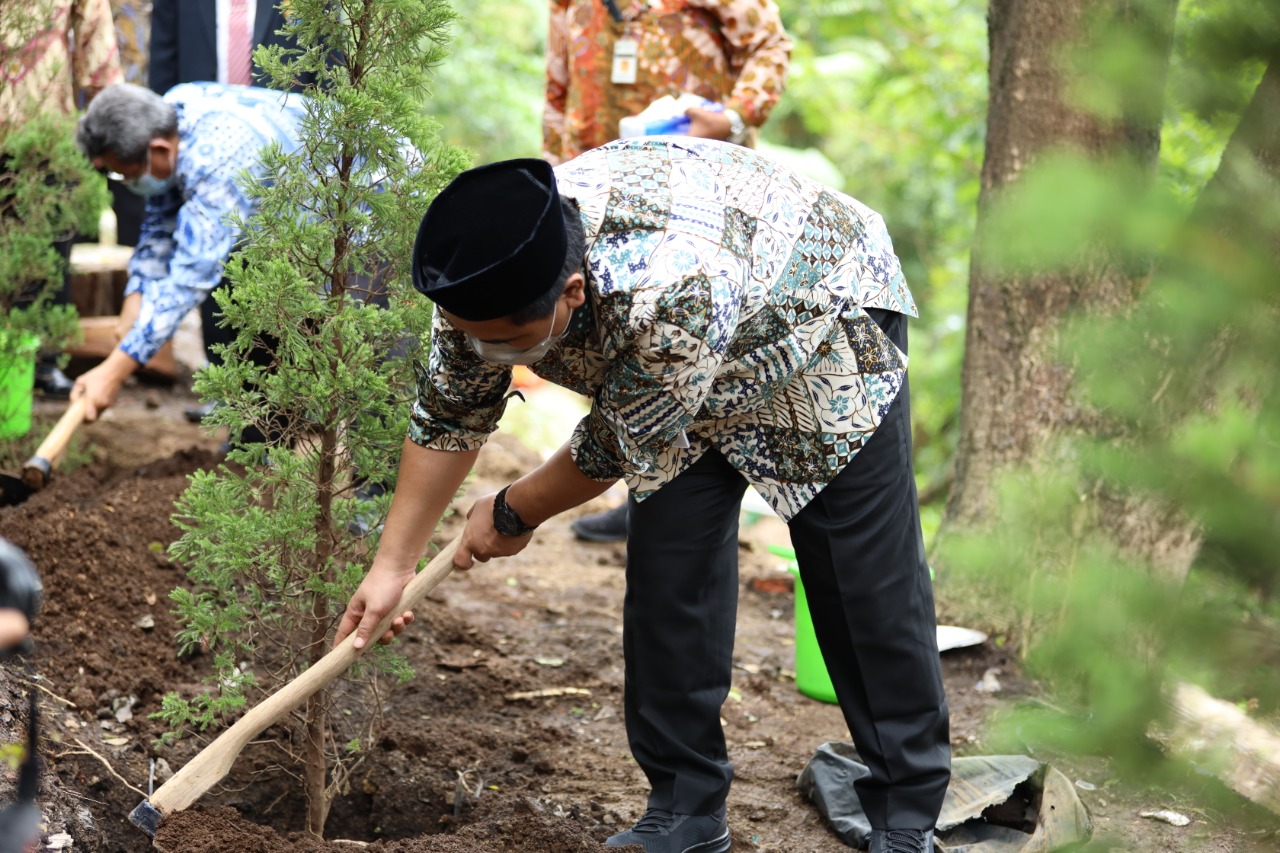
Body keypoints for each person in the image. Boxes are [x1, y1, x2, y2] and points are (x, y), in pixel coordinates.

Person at [335, 142, 951, 853]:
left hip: (812, 321)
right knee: (670, 575)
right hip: (670, 361)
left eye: (508, 342)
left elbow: (612, 445)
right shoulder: (480, 278)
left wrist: (510, 512)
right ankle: (685, 809)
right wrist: (392, 566)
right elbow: (447, 414)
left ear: (572, 292)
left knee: (860, 578)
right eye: (475, 339)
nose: (489, 355)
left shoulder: (671, 284)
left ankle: (905, 816)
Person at [545, 0, 791, 542]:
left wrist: (733, 117)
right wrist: (554, 180)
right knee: (609, 326)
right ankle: (636, 486)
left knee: (688, 332)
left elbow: (768, 45)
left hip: (695, 184)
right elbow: (559, 86)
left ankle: (682, 501)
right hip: (597, 191)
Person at [70, 81, 307, 427]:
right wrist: (135, 299)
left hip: (368, 211)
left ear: (159, 149)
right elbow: (160, 220)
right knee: (255, 333)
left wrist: (113, 373)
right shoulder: (171, 111)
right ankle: (256, 445)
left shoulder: (219, 157)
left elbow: (189, 278)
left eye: (126, 174)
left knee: (368, 360)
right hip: (281, 233)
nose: (127, 183)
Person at [0, 0, 124, 399]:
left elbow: (96, 40)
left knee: (50, 249)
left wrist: (108, 121)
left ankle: (42, 361)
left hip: (47, 126)